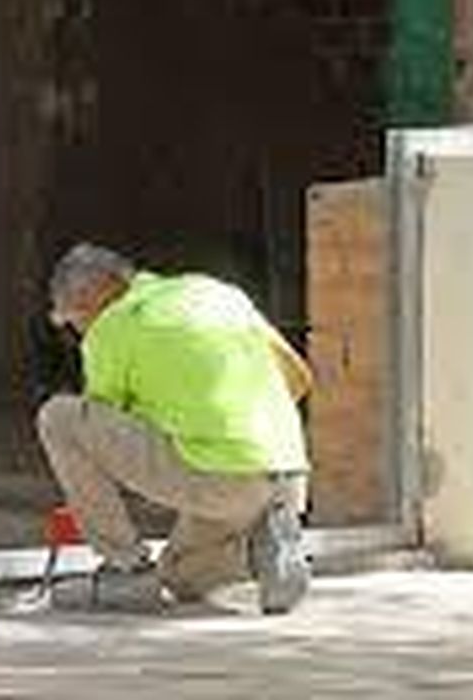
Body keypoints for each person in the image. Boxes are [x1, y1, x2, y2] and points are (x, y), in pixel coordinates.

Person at [36, 242, 313, 614]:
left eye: (74, 323)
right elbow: (297, 377)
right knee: (182, 578)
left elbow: (101, 430)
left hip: (222, 479)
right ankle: (269, 547)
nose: (79, 334)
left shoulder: (112, 327)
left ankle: (126, 567)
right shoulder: (213, 292)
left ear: (88, 302)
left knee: (60, 418)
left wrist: (102, 509)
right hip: (288, 477)